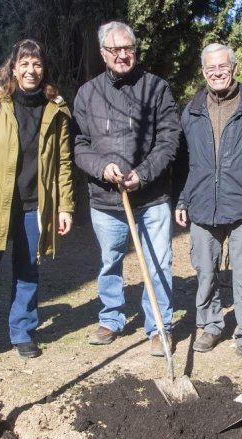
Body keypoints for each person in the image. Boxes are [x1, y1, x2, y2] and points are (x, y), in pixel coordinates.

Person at [0, 39, 75, 362]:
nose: (30, 70)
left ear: (44, 69)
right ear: (13, 68)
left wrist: (65, 206)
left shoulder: (57, 111)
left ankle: (23, 332)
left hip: (34, 206)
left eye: (36, 64)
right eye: (24, 63)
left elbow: (64, 163)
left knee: (27, 273)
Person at [72, 21, 181, 356]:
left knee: (159, 263)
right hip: (106, 199)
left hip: (151, 197)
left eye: (128, 48)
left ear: (136, 49)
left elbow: (169, 139)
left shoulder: (157, 88)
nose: (122, 55)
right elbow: (79, 144)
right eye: (114, 49)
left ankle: (159, 326)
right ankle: (111, 318)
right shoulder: (88, 94)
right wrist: (102, 168)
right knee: (110, 261)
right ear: (103, 53)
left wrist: (143, 174)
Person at [175, 43, 242, 367]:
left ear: (234, 68)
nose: (217, 73)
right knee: (205, 273)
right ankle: (210, 325)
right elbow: (183, 163)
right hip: (203, 208)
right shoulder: (192, 110)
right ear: (203, 72)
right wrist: (182, 198)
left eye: (222, 66)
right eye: (210, 68)